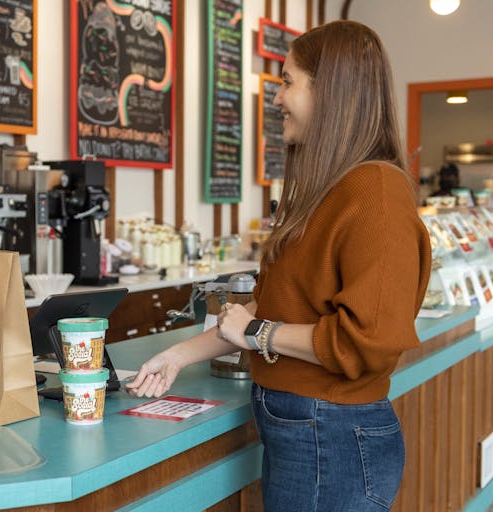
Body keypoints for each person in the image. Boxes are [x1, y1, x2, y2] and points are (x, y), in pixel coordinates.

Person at [126, 20, 431, 512]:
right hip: (309, 432)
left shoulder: (374, 192)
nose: (275, 98)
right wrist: (179, 355)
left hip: (330, 436)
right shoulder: (330, 189)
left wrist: (259, 332)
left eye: (287, 81)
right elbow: (271, 307)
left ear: (329, 90)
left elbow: (364, 342)